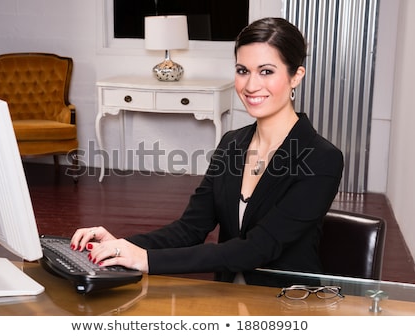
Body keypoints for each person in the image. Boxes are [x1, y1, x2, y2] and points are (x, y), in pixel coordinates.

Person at [71, 17, 344, 286]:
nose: (250, 86)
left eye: (266, 71)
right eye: (242, 70)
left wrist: (146, 260)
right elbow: (190, 228)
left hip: (287, 305)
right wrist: (122, 245)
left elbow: (258, 249)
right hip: (228, 300)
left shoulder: (321, 158)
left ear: (296, 76)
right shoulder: (231, 144)